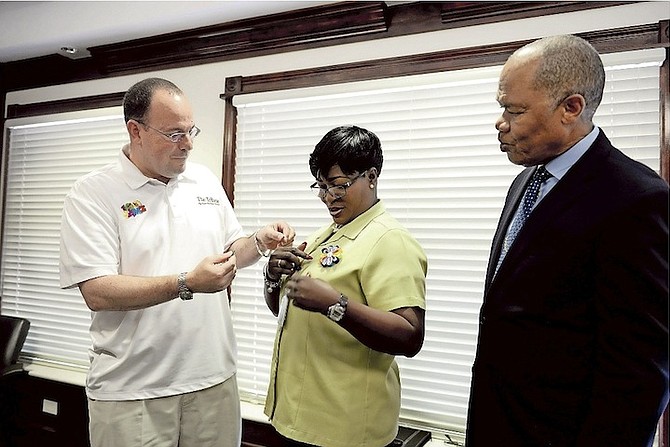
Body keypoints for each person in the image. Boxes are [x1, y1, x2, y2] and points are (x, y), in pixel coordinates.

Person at [59, 77, 295, 447]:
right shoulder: (93, 192)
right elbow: (98, 291)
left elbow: (229, 254)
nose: (187, 144)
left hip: (214, 381)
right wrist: (185, 282)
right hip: (132, 391)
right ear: (135, 131)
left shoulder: (202, 180)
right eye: (173, 134)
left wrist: (258, 242)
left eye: (190, 131)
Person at [466, 35, 669, 446]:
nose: (499, 121)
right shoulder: (525, 180)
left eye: (514, 110)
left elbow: (639, 373)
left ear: (570, 108)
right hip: (498, 423)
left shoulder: (637, 199)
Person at [261, 125, 427, 447]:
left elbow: (410, 336)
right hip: (298, 416)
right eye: (320, 187)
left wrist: (334, 304)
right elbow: (287, 312)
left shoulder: (390, 241)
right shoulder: (329, 234)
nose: (328, 198)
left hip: (345, 429)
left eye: (338, 186)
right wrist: (272, 276)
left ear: (372, 177)